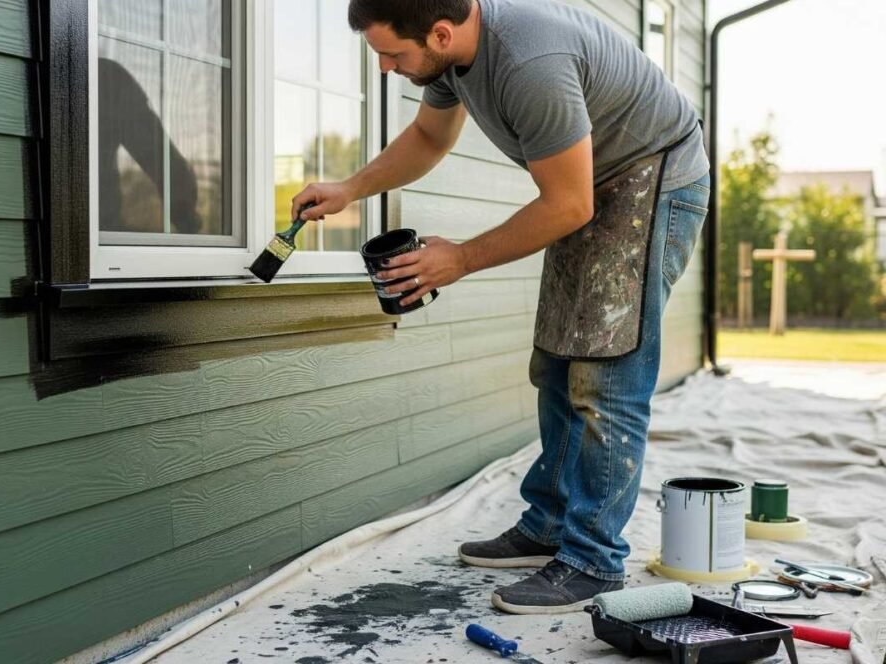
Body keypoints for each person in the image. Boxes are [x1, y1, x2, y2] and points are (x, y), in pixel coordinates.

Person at [291, 0, 710, 614]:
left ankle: (592, 560)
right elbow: (431, 137)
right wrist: (350, 189)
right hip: (587, 186)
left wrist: (459, 258)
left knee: (605, 373)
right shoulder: (450, 58)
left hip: (652, 176)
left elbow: (567, 206)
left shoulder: (529, 59)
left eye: (391, 54)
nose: (383, 68)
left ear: (439, 32)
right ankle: (550, 524)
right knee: (557, 362)